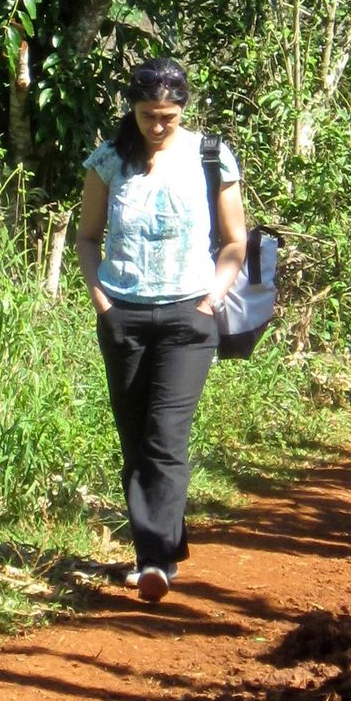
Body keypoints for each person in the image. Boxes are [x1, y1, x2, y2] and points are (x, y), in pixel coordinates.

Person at [75, 57, 247, 603]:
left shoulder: (211, 156)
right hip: (123, 314)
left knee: (165, 436)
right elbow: (87, 237)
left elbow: (235, 242)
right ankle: (164, 544)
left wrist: (212, 298)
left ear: (183, 110)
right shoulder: (109, 160)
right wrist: (100, 297)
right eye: (148, 114)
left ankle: (154, 562)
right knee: (134, 436)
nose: (157, 125)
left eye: (168, 116)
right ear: (133, 106)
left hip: (188, 318)